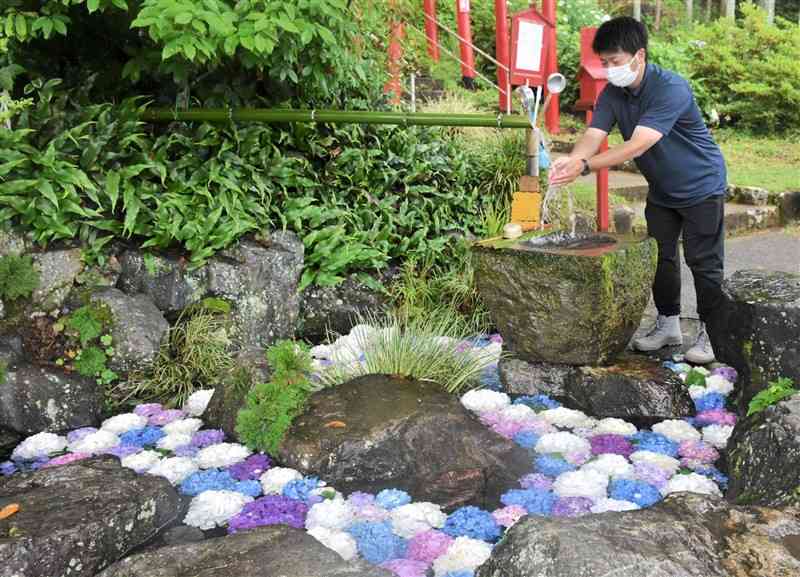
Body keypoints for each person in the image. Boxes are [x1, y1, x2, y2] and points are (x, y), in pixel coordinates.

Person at [549, 16, 727, 365]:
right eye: (605, 63)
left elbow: (637, 145)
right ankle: (668, 324)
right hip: (662, 189)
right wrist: (572, 159)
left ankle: (714, 333)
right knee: (659, 257)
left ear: (639, 55)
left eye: (615, 62)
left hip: (701, 185)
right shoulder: (614, 93)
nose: (609, 70)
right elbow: (594, 135)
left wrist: (585, 167)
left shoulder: (670, 88)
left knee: (704, 263)